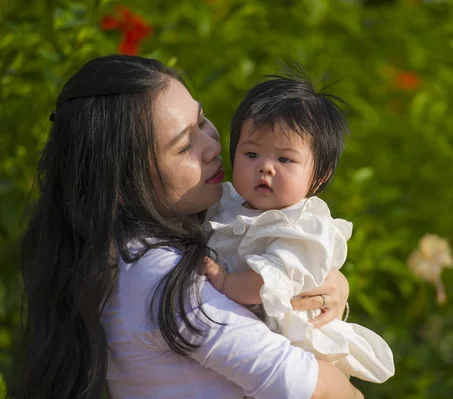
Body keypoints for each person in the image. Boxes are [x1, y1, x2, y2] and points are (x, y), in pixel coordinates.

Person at [18, 55, 364, 399]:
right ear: (123, 186)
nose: (214, 147)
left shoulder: (137, 249)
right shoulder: (164, 280)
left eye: (201, 121)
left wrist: (328, 280)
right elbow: (335, 394)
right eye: (185, 146)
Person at [203, 68, 395, 384]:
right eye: (251, 153)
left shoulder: (303, 229)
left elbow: (264, 284)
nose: (265, 166)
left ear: (319, 176)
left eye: (285, 160)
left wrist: (222, 281)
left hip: (292, 347)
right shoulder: (224, 202)